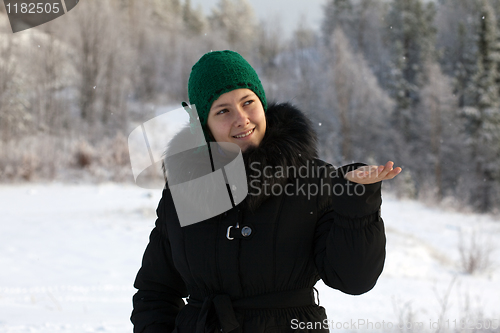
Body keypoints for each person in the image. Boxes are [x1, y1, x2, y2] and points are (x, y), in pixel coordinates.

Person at [130, 50, 401, 333]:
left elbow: (354, 279)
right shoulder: (182, 190)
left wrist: (356, 204)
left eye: (249, 102)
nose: (242, 119)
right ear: (203, 125)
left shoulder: (315, 180)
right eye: (223, 110)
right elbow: (155, 290)